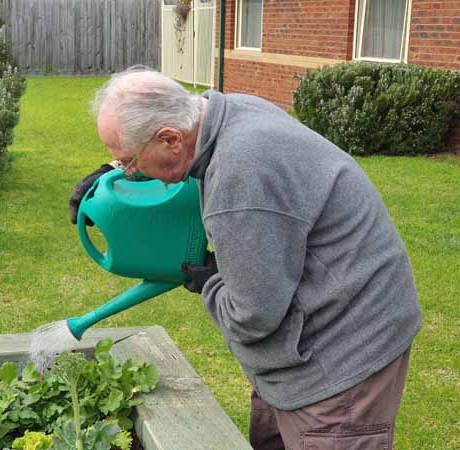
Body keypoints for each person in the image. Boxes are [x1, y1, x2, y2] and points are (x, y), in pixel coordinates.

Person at [69, 66, 422, 450]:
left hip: (341, 348)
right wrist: (115, 176)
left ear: (170, 138)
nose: (128, 171)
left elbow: (253, 315)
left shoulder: (239, 173)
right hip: (315, 303)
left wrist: (211, 282)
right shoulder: (222, 113)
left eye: (130, 162)